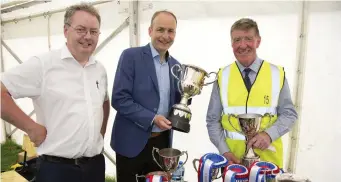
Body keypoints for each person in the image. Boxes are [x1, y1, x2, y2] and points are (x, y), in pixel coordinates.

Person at [0, 3, 109, 182]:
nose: (88, 36)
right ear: (66, 31)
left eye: (94, 31)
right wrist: (30, 127)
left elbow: (104, 101)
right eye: (81, 29)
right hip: (57, 169)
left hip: (95, 166)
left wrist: (100, 134)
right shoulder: (44, 65)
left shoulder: (99, 69)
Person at [206, 18, 298, 169]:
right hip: (233, 165)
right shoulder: (222, 76)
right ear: (232, 44)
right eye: (237, 40)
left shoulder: (277, 74)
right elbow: (212, 120)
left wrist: (269, 135)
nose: (242, 45)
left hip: (268, 165)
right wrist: (224, 151)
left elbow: (289, 114)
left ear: (258, 41)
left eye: (248, 38)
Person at [110, 10, 189, 182]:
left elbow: (177, 103)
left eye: (170, 31)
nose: (165, 36)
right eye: (160, 30)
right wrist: (152, 118)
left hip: (162, 144)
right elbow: (119, 98)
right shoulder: (131, 56)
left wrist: (189, 94)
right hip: (131, 143)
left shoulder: (177, 66)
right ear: (150, 31)